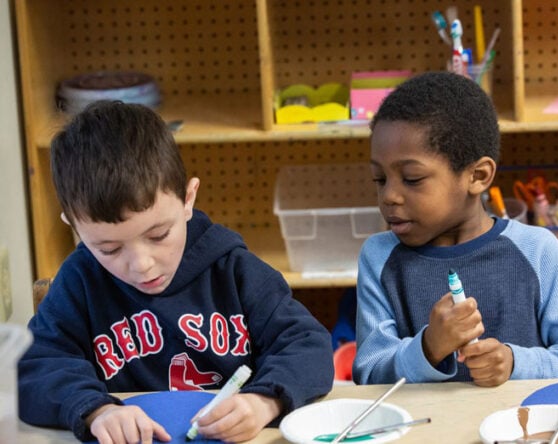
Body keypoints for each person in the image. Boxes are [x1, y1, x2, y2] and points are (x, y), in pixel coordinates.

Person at [18, 101, 334, 443]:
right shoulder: (79, 281)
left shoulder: (235, 271)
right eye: (109, 249)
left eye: (158, 235)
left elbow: (308, 346)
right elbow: (36, 367)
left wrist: (264, 401)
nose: (142, 264)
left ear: (188, 198)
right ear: (74, 226)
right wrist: (96, 410)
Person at [352, 72, 558, 387]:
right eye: (380, 179)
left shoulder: (537, 249)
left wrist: (515, 363)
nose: (389, 196)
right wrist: (428, 348)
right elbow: (368, 374)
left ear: (478, 176)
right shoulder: (378, 257)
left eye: (412, 178)